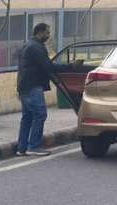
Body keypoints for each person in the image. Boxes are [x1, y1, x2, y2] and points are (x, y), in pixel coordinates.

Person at [16, 23, 82, 156]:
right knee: (40, 114)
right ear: (40, 32)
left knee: (27, 117)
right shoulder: (36, 47)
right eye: (47, 33)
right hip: (32, 87)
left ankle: (21, 148)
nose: (48, 36)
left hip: (24, 86)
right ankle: (34, 146)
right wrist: (70, 67)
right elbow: (48, 66)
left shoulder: (28, 45)